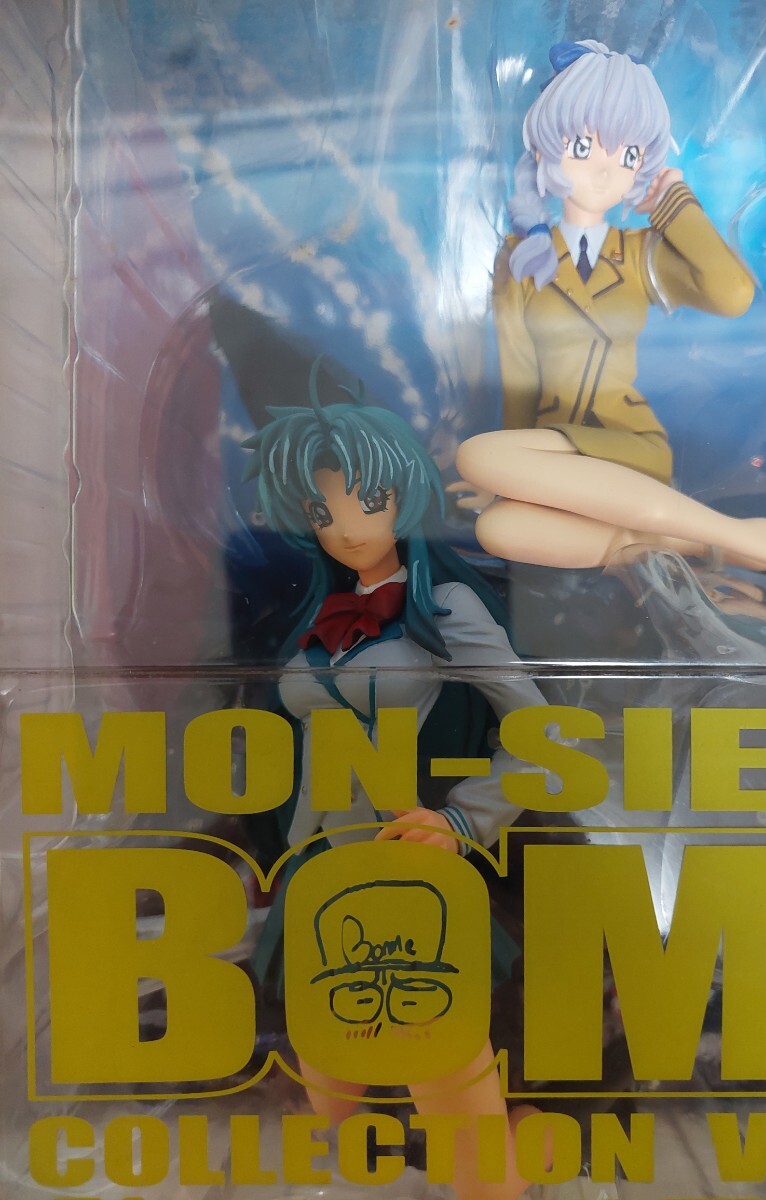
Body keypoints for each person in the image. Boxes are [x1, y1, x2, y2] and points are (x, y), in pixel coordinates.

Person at [243, 364, 545, 1200]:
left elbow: (543, 735)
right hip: (320, 871)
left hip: (409, 870)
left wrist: (464, 823)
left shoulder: (447, 609)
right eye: (322, 510)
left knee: (441, 1071)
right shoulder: (316, 620)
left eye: (368, 501)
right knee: (332, 1083)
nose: (347, 527)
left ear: (405, 497)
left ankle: (508, 1169)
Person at [451, 40, 766, 588]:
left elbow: (734, 294)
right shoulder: (521, 257)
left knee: (475, 456)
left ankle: (746, 537)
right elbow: (519, 373)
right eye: (584, 146)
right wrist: (515, 476)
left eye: (627, 156)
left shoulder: (639, 253)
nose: (605, 170)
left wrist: (675, 204)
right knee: (498, 528)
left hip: (626, 440)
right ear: (548, 146)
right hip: (555, 451)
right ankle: (716, 549)